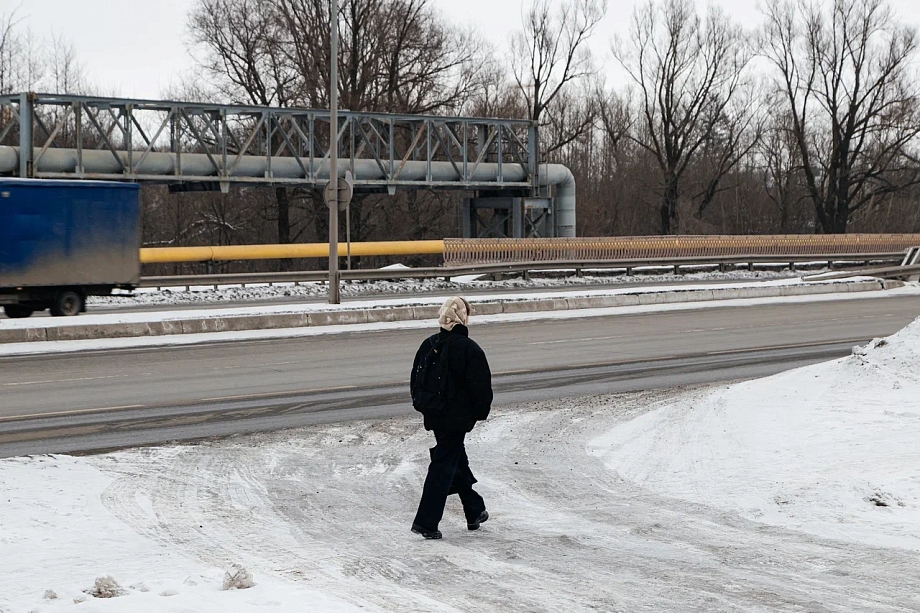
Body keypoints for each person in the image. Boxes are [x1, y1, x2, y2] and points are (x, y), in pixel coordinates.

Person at [410, 296, 493, 540]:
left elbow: (415, 379)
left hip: (434, 413)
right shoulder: (469, 348)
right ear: (462, 318)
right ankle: (426, 522)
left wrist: (424, 406)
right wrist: (479, 413)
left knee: (454, 459)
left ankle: (474, 509)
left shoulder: (429, 344)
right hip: (456, 419)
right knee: (443, 466)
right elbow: (480, 387)